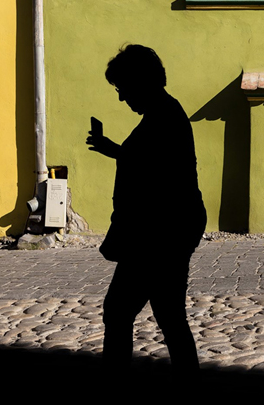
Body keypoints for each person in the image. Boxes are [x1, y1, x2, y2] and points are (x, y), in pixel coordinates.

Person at [86, 44, 206, 377]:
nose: (122, 97)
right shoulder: (163, 113)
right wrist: (115, 150)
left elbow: (156, 172)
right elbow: (149, 162)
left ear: (140, 82)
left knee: (122, 311)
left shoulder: (163, 117)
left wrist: (119, 153)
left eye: (123, 88)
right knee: (165, 314)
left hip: (158, 233)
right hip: (164, 230)